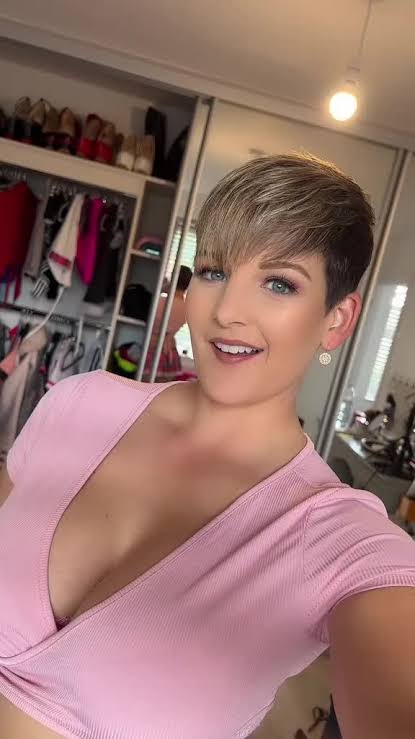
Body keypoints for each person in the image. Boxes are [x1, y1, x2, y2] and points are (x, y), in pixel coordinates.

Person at [1, 154, 415, 739]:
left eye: (279, 283)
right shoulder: (79, 402)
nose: (226, 312)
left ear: (337, 320)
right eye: (214, 271)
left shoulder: (340, 540)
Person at [144, 264, 192, 381]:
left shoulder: (159, 301)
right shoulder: (188, 308)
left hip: (152, 348)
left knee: (143, 387)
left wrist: (162, 289)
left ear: (172, 279)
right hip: (170, 351)